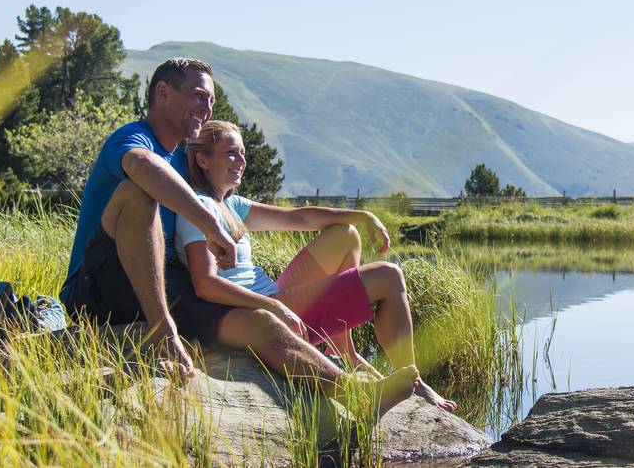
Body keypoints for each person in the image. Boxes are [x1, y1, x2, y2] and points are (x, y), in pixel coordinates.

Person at [58, 58, 416, 412]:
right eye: (199, 96)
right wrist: (211, 225)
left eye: (211, 99)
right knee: (139, 192)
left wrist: (358, 216)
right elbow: (142, 166)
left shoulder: (185, 161)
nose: (207, 106)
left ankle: (357, 396)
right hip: (98, 288)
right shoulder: (134, 139)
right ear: (163, 92)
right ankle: (161, 332)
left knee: (262, 323)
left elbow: (292, 216)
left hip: (164, 283)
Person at [174, 120, 457, 412]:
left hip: (275, 294)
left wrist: (362, 216)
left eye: (243, 153)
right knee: (388, 275)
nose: (242, 161)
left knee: (345, 234)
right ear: (202, 159)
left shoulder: (231, 204)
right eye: (231, 152)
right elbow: (205, 283)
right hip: (259, 310)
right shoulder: (197, 207)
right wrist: (275, 307)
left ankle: (344, 349)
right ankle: (416, 383)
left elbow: (298, 219)